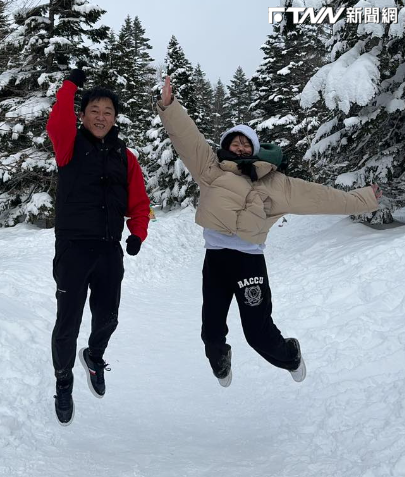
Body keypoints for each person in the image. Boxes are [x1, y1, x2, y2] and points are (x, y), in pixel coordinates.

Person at [157, 76, 381, 387]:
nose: (239, 145)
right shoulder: (210, 170)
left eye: (246, 142)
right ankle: (220, 362)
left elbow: (320, 197)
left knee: (258, 334)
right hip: (217, 259)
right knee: (210, 332)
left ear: (256, 149)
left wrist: (363, 199)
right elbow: (187, 138)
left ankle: (290, 355)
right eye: (234, 142)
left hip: (249, 261)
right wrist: (169, 107)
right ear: (224, 148)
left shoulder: (275, 183)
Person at [46, 64, 150, 426]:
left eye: (108, 111)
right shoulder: (68, 145)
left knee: (108, 317)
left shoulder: (126, 157)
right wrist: (71, 86)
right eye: (94, 110)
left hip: (108, 249)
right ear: (84, 115)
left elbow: (139, 201)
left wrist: (137, 232)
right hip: (74, 248)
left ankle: (93, 355)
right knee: (68, 322)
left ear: (116, 117)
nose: (101, 116)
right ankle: (63, 382)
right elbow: (57, 120)